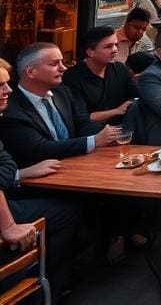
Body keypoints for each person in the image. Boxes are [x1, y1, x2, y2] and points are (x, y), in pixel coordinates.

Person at [0, 58, 79, 303]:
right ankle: (40, 289)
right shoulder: (14, 113)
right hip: (7, 206)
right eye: (0, 85)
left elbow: (7, 164)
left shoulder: (62, 93)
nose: (8, 90)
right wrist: (9, 226)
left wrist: (15, 173)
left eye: (7, 83)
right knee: (66, 213)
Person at [0, 43, 120, 164]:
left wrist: (115, 133)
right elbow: (39, 148)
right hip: (40, 172)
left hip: (76, 163)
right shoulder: (9, 108)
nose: (63, 68)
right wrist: (93, 141)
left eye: (62, 62)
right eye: (54, 64)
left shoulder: (62, 92)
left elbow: (82, 124)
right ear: (31, 72)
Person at [63, 26, 138, 128]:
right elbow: (82, 118)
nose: (115, 50)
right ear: (90, 52)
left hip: (124, 128)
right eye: (108, 46)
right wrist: (117, 111)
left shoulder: (120, 69)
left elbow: (136, 97)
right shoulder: (73, 77)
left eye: (116, 45)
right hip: (91, 133)